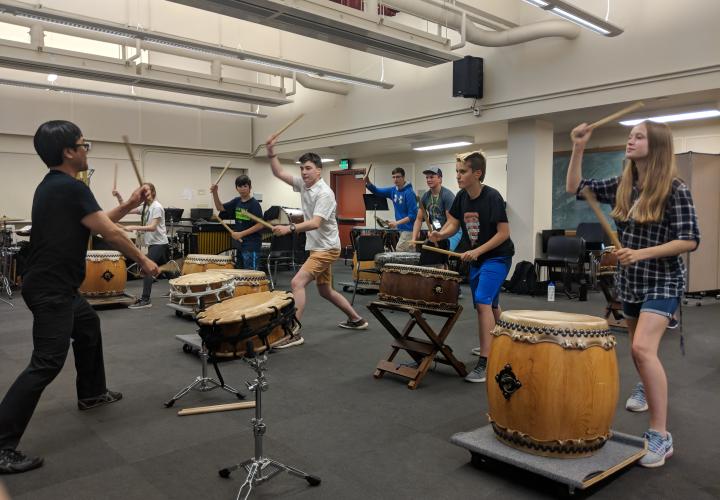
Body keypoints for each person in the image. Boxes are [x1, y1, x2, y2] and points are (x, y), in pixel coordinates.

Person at [0, 120, 159, 474]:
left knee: (87, 326)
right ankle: (1, 445)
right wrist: (144, 260)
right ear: (68, 152)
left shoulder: (56, 186)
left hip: (56, 286)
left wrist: (131, 203)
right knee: (46, 362)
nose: (88, 150)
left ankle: (91, 392)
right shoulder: (70, 187)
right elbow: (112, 233)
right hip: (51, 289)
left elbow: (98, 222)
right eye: (84, 145)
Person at [566, 120, 699, 468]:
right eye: (630, 135)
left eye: (639, 136)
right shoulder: (623, 184)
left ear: (655, 146)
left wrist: (641, 253)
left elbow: (689, 240)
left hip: (663, 279)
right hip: (631, 281)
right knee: (640, 352)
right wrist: (578, 146)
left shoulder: (675, 189)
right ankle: (644, 382)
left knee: (642, 347)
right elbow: (575, 187)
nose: (631, 140)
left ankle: (660, 435)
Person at [266, 135, 368, 348]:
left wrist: (289, 227)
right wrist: (271, 151)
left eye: (308, 168)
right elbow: (278, 172)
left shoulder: (325, 193)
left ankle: (294, 332)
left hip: (326, 248)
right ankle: (357, 319)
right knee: (325, 291)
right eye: (302, 168)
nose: (304, 172)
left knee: (296, 283)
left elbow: (315, 223)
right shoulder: (303, 185)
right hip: (318, 248)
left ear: (318, 170)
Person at [428, 152, 514, 383]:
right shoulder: (461, 197)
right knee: (491, 304)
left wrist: (477, 251)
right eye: (456, 171)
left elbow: (504, 233)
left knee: (482, 302)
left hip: (497, 257)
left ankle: (485, 363)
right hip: (478, 259)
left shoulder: (492, 197)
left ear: (477, 173)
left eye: (462, 171)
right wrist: (440, 233)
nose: (458, 176)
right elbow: (454, 224)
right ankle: (510, 342)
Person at [112, 182, 169, 309]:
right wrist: (118, 196)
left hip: (159, 243)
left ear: (153, 192)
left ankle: (145, 299)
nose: (145, 193)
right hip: (154, 243)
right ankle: (179, 289)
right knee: (169, 270)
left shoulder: (157, 207)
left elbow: (153, 227)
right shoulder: (145, 207)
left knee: (147, 268)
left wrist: (134, 227)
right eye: (143, 191)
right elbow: (126, 209)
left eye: (147, 191)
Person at [210, 175, 265, 270]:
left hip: (252, 244)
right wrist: (215, 192)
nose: (242, 189)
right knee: (241, 273)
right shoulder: (237, 201)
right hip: (240, 245)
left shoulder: (254, 204)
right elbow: (220, 207)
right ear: (236, 188)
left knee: (251, 275)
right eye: (240, 186)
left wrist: (241, 234)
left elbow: (260, 224)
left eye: (245, 186)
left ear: (250, 187)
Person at [365, 167, 417, 251]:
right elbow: (377, 191)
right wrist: (368, 181)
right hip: (401, 229)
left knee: (400, 249)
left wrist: (396, 223)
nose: (395, 179)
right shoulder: (393, 190)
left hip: (410, 229)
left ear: (403, 177)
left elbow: (413, 215)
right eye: (393, 177)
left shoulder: (409, 192)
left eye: (398, 177)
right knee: (408, 254)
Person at [411, 166, 461, 250]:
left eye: (431, 177)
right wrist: (413, 238)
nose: (428, 180)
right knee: (430, 256)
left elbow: (450, 222)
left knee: (443, 254)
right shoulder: (425, 197)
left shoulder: (447, 195)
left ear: (440, 179)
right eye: (427, 177)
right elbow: (419, 219)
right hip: (436, 232)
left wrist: (439, 235)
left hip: (452, 232)